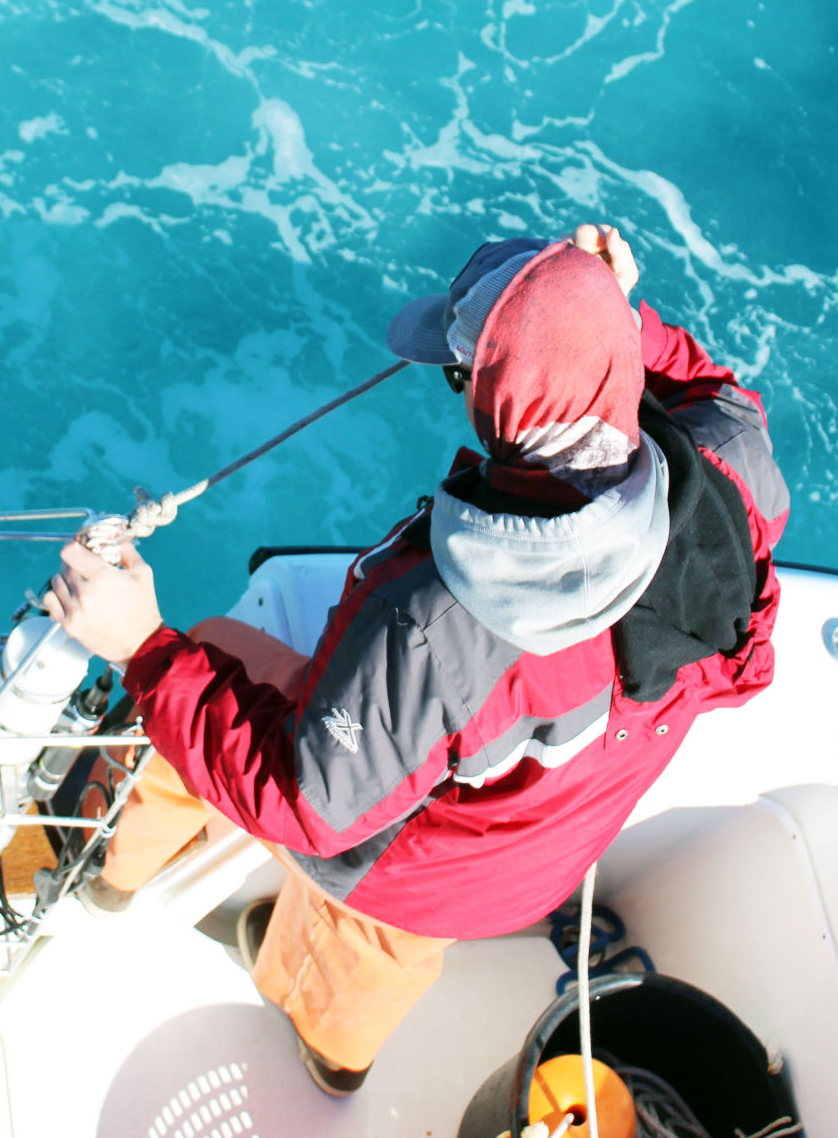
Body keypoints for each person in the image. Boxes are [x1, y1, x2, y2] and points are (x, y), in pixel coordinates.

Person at [43, 222, 789, 1095]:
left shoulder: (444, 627)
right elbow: (719, 396)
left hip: (416, 863)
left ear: (489, 399)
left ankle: (114, 880)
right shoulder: (735, 476)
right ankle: (333, 1056)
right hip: (542, 858)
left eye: (460, 372)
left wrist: (141, 644)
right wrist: (608, 318)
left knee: (209, 656)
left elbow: (307, 801)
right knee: (392, 943)